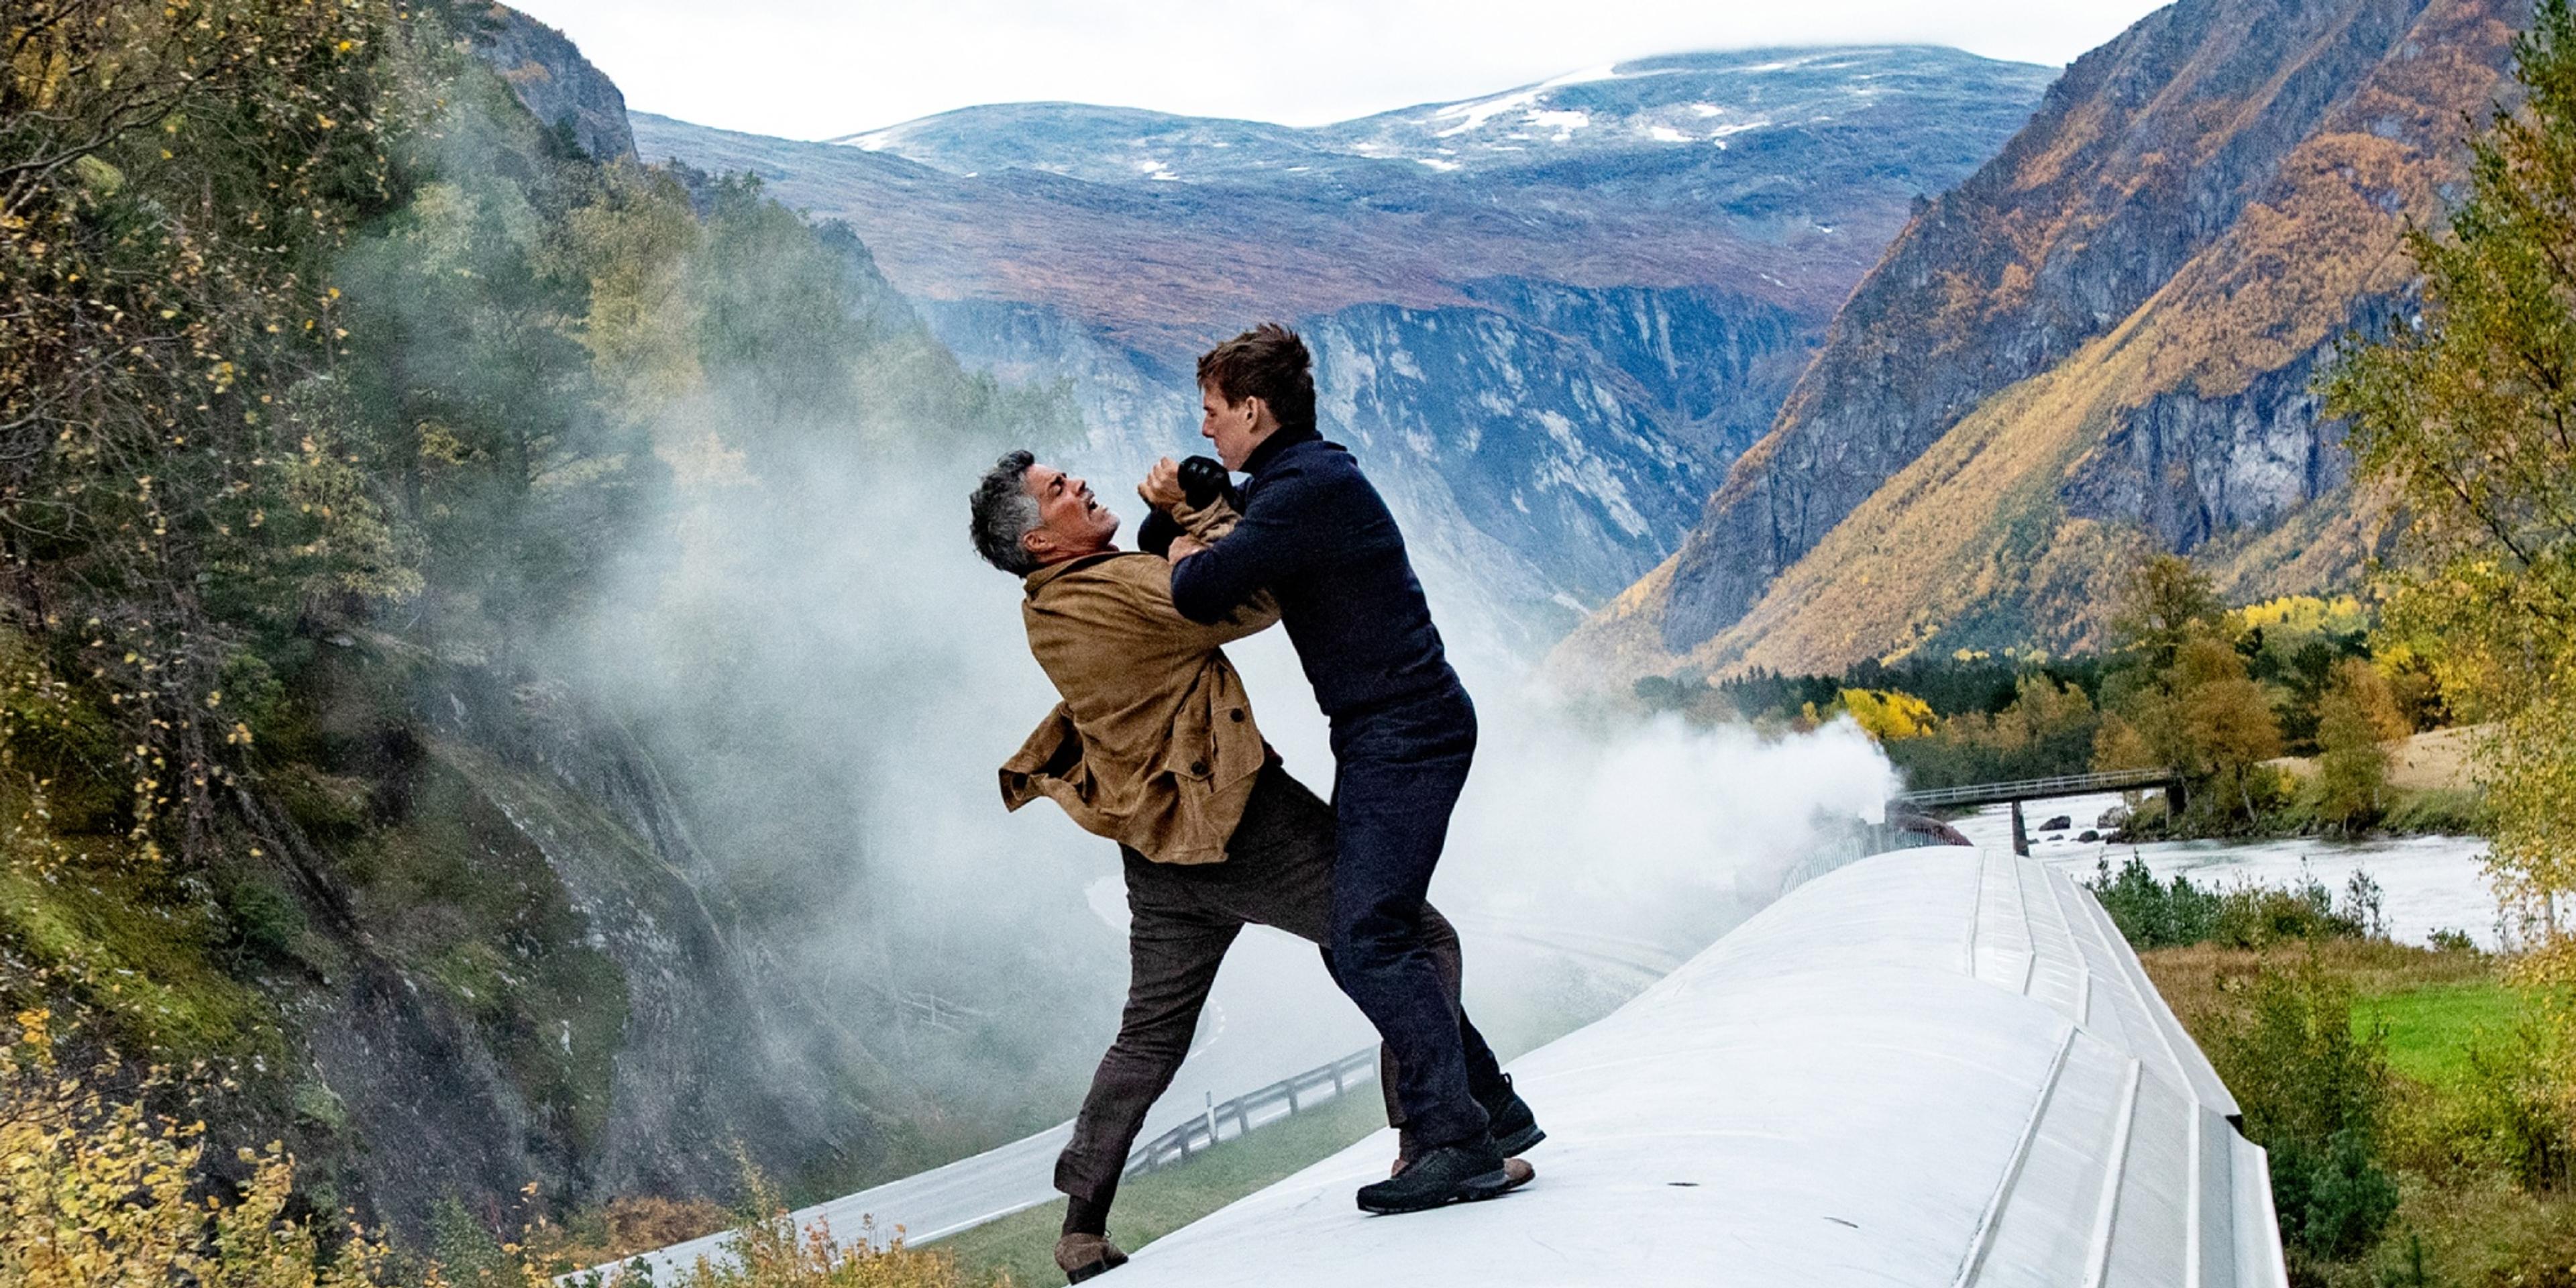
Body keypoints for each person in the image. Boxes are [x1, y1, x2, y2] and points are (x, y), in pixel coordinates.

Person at [968, 451, 1537, 1282]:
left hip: (1157, 851)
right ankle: (1438, 1139)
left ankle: (1081, 1227)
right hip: (1241, 825)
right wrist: (1201, 520)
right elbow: (1253, 595)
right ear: (1040, 541)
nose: (1081, 485)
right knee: (1403, 936)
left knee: (1150, 1035)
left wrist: (1172, 533)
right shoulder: (1117, 589)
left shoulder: (1048, 608)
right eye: (1059, 490)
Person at [1165, 323, 1535, 1215]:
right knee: (1370, 932)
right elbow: (1241, 533)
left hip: (1405, 734)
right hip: (1393, 731)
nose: (1206, 429)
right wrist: (1191, 507)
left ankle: (1457, 1143)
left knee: (1366, 940)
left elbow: (1200, 590)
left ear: (1253, 409)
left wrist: (1179, 545)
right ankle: (1491, 1108)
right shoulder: (1301, 480)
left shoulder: (1306, 490)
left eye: (1213, 413)